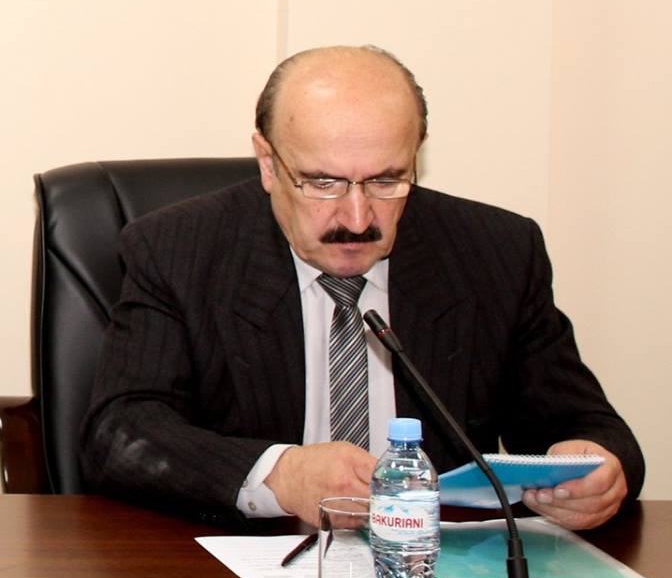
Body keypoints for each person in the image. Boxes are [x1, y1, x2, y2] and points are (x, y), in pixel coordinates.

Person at [82, 45, 643, 527]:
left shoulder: (497, 252)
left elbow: (583, 425)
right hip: (243, 573)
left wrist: (595, 470)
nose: (356, 218)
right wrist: (280, 474)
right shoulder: (178, 250)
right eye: (323, 182)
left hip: (437, 572)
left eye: (385, 180)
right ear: (269, 164)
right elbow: (122, 431)